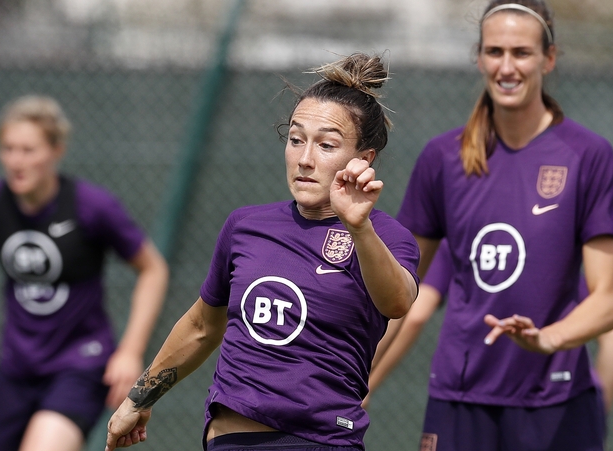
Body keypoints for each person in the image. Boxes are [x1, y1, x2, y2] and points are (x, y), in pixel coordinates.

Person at [104, 52, 420, 451]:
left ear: (363, 159)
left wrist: (359, 227)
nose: (305, 159)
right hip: (229, 441)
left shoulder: (383, 236)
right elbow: (202, 326)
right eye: (296, 139)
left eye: (326, 145)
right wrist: (138, 399)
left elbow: (398, 302)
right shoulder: (246, 226)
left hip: (319, 441)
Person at [395, 1, 613, 449]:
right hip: (459, 398)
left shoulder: (587, 155)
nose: (506, 67)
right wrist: (351, 376)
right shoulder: (442, 157)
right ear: (479, 58)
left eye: (521, 53)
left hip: (556, 401)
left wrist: (546, 339)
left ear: (548, 59)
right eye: (494, 51)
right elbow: (399, 291)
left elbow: (608, 302)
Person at [0, 95, 169, 451]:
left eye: (28, 150)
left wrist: (130, 350)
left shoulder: (92, 206)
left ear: (56, 151)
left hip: (80, 364)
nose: (16, 161)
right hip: (16, 367)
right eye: (8, 149)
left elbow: (152, 269)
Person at [363, 240, 613, 414]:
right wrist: (594, 419)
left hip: (473, 402)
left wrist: (366, 384)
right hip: (554, 408)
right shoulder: (547, 255)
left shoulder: (457, 242)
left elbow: (415, 316)